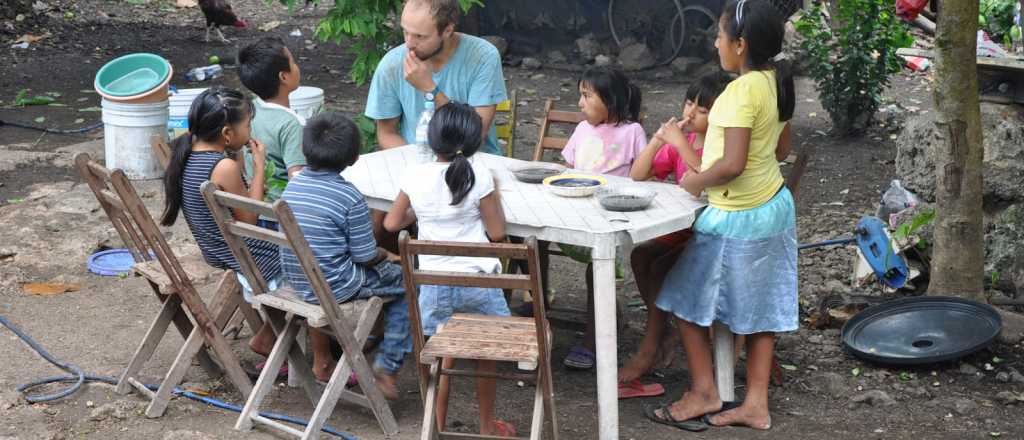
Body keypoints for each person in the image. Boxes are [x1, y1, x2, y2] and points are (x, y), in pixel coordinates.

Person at [644, 0, 795, 431]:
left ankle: (705, 391)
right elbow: (781, 151)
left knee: (682, 298)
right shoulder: (775, 80)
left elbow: (731, 165)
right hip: (774, 207)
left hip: (736, 215)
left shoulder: (737, 93)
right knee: (761, 312)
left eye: (720, 35)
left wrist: (696, 181)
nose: (715, 42)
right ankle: (755, 404)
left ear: (741, 44)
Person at [382, 102, 514, 437]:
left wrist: (421, 215)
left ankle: (436, 428)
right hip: (478, 283)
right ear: (473, 142)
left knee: (444, 356)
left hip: (436, 288)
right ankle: (486, 427)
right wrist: (494, 192)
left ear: (432, 138)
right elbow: (497, 233)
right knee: (486, 355)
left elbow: (392, 222)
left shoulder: (414, 175)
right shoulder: (479, 175)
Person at [277, 112, 412, 400]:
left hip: (298, 280)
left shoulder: (293, 186)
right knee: (409, 283)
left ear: (304, 148)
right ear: (353, 158)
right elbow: (364, 255)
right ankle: (388, 367)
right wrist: (387, 255)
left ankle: (368, 340)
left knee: (390, 272)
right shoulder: (349, 196)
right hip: (336, 287)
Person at [619, 71, 731, 385]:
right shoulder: (686, 140)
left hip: (713, 232)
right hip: (684, 228)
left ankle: (650, 346)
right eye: (689, 103)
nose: (691, 113)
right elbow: (638, 175)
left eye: (703, 109)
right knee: (641, 257)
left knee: (661, 268)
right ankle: (662, 331)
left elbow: (705, 174)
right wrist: (658, 140)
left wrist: (680, 144)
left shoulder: (722, 147)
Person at [159, 86, 282, 361]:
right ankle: (278, 337)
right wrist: (259, 166)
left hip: (214, 245)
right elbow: (250, 218)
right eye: (248, 125)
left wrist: (236, 157)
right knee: (307, 256)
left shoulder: (187, 152)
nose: (250, 131)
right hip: (239, 253)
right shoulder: (222, 167)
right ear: (227, 134)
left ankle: (271, 333)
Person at [558, 66, 645, 371]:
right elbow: (568, 169)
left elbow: (641, 178)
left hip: (610, 220)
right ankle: (538, 305)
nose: (580, 103)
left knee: (598, 270)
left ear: (610, 99)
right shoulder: (583, 129)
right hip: (575, 213)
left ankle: (592, 341)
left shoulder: (632, 132)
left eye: (586, 95)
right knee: (531, 239)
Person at [365, 0, 508, 155]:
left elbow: (473, 138)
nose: (409, 44)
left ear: (447, 30)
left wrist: (430, 89)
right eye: (405, 32)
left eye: (420, 36)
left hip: (475, 162)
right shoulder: (392, 64)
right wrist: (419, 164)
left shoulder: (483, 57)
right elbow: (387, 133)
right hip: (417, 162)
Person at [237, 36, 305, 207]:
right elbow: (298, 179)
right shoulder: (292, 124)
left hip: (259, 207)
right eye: (293, 62)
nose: (297, 67)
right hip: (283, 218)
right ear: (283, 76)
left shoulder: (248, 111)